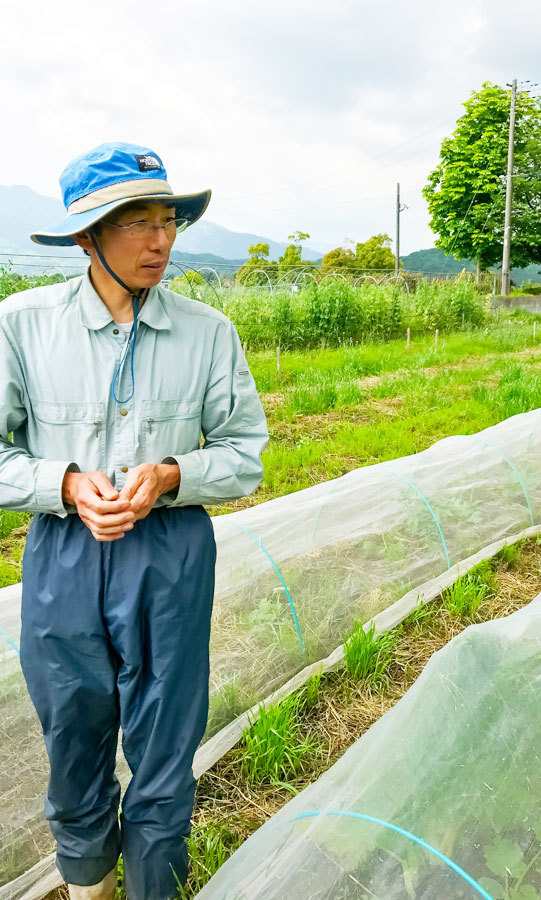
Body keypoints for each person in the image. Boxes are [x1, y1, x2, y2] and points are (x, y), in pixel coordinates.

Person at [0, 142, 269, 900]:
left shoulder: (207, 332)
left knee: (164, 736)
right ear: (88, 237)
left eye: (168, 222)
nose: (161, 242)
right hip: (65, 551)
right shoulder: (21, 326)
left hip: (170, 552)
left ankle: (155, 886)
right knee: (73, 725)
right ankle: (89, 880)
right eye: (138, 224)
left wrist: (173, 475)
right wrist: (64, 482)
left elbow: (246, 454)